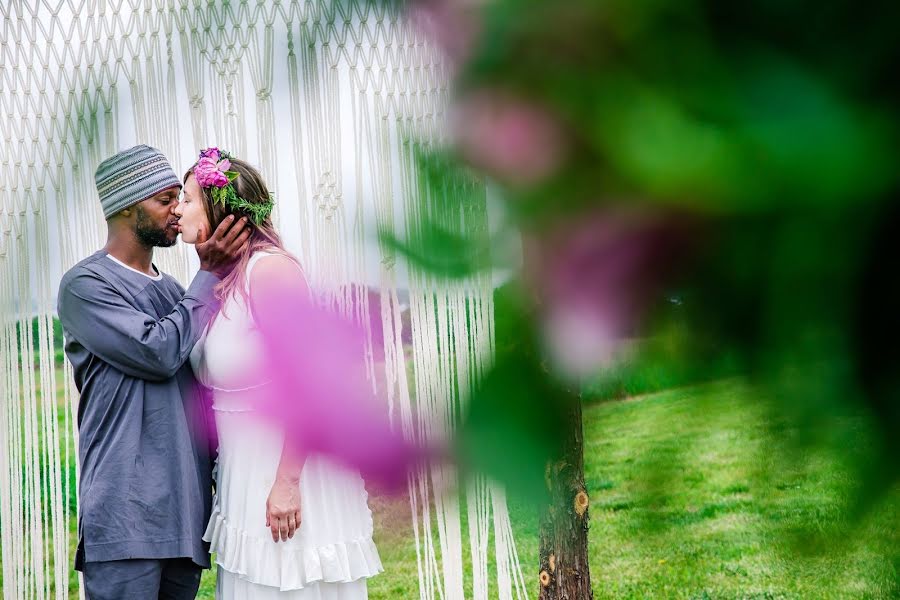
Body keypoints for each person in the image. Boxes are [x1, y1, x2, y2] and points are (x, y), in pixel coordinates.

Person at [175, 147, 383, 599]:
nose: (178, 208)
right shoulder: (216, 283)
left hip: (287, 473)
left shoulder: (270, 273)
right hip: (241, 475)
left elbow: (316, 386)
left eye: (187, 198)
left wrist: (287, 482)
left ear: (221, 209)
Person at [57, 144, 251, 599]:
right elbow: (158, 351)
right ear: (126, 206)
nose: (176, 213)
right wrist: (210, 275)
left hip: (185, 516)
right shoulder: (86, 286)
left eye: (179, 200)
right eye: (164, 200)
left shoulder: (178, 292)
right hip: (126, 517)